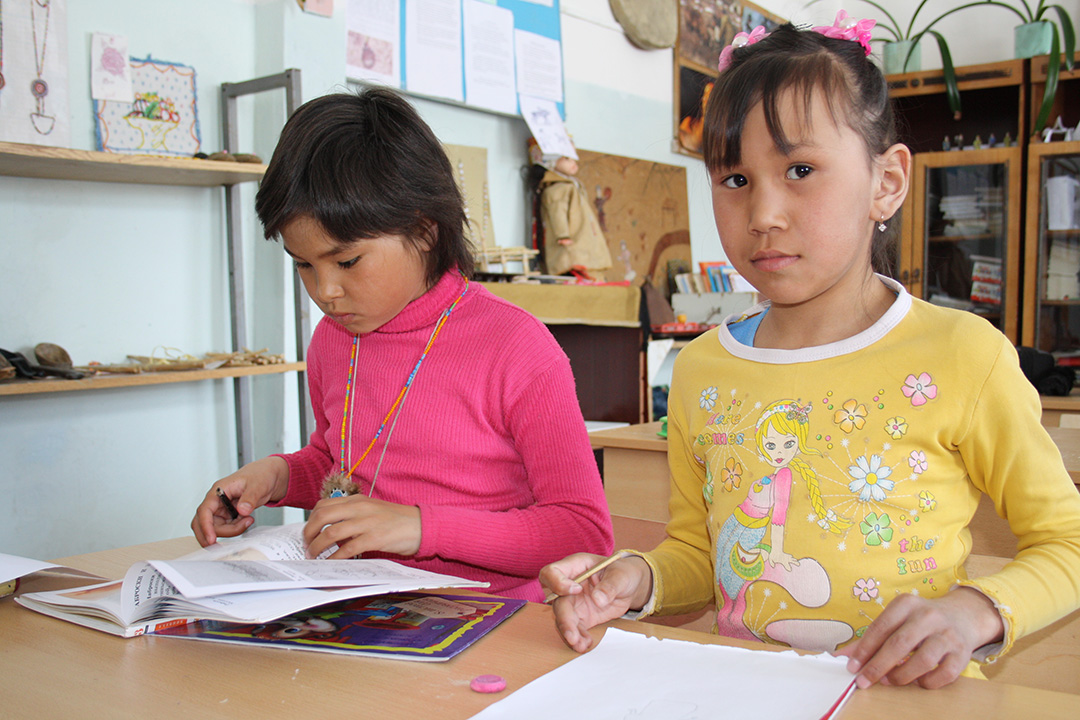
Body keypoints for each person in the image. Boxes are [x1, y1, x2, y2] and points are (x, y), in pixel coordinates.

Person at [541, 14, 1080, 689]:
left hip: (907, 702)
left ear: (886, 182)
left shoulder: (962, 354)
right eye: (734, 179)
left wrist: (975, 612)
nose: (763, 212)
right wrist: (636, 576)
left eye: (800, 169)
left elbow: (1069, 541)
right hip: (748, 696)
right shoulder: (703, 369)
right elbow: (700, 553)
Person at [191, 87, 614, 602]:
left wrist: (420, 527)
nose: (324, 291)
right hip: (360, 604)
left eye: (346, 262)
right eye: (303, 264)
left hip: (488, 619)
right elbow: (341, 460)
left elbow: (583, 533)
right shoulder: (333, 340)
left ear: (425, 230)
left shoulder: (516, 348)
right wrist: (276, 477)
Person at [528, 138, 612, 277]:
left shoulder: (571, 186)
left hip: (581, 238)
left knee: (588, 263)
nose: (574, 163)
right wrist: (562, 234)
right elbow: (557, 213)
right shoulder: (556, 189)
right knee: (573, 261)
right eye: (567, 158)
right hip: (571, 245)